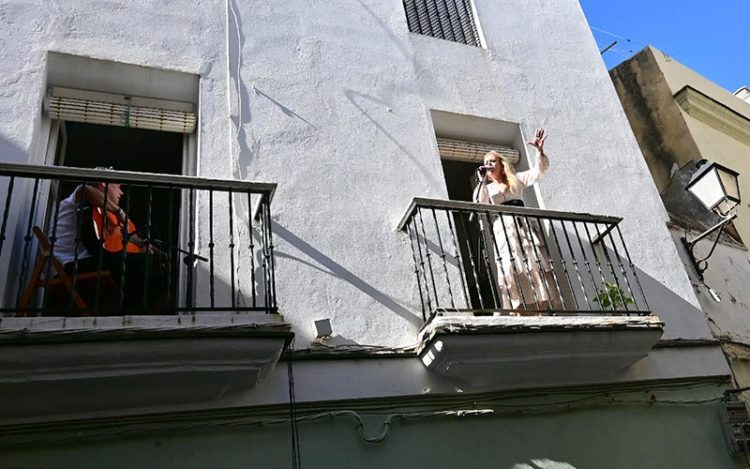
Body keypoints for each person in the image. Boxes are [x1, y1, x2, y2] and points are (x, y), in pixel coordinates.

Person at [473, 129, 560, 313]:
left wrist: (539, 151)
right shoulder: (487, 188)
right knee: (509, 267)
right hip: (503, 227)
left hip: (522, 225)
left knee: (532, 262)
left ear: (501, 163)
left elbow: (539, 171)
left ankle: (541, 308)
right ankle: (517, 309)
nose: (488, 164)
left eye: (492, 161)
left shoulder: (517, 179)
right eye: (486, 163)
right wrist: (481, 181)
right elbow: (480, 203)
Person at [54, 176, 166, 312]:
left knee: (157, 259)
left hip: (92, 259)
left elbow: (115, 243)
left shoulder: (102, 212)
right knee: (142, 263)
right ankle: (135, 312)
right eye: (118, 186)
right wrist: (119, 212)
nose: (121, 193)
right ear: (104, 183)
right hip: (71, 264)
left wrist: (140, 244)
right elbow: (85, 190)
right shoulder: (77, 199)